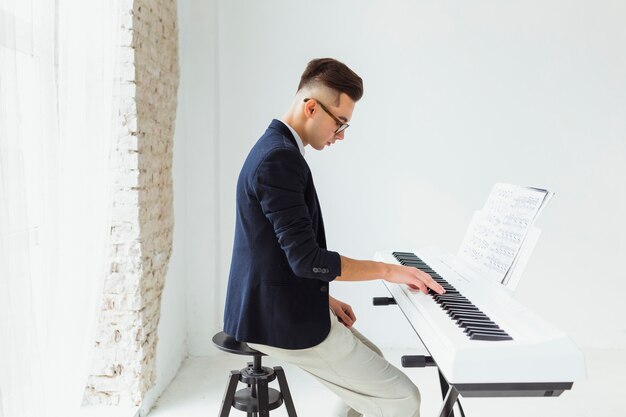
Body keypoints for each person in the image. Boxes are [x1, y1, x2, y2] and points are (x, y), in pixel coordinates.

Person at [223, 58, 445, 417]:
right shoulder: (278, 159)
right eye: (340, 123)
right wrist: (389, 271)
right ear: (311, 107)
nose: (339, 135)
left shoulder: (277, 149)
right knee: (404, 398)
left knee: (373, 364)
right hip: (273, 318)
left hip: (276, 302)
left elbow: (276, 252)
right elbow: (308, 258)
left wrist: (323, 298)